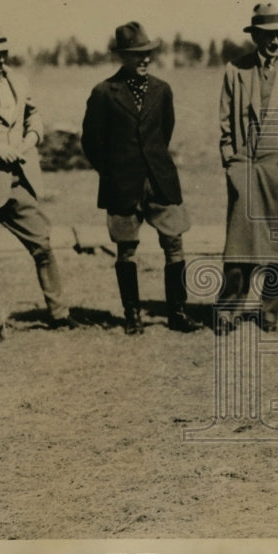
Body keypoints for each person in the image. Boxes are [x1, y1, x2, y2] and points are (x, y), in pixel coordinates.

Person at [0, 23, 77, 342]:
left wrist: (31, 139)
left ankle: (59, 313)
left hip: (19, 179)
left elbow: (34, 115)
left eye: (4, 52)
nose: (1, 58)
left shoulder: (19, 81)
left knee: (42, 243)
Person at [80, 21, 194, 335]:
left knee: (174, 242)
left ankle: (178, 313)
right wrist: (113, 171)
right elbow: (91, 141)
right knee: (126, 248)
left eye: (148, 53)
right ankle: (132, 316)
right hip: (122, 184)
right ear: (122, 57)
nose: (145, 59)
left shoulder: (162, 90)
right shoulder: (104, 92)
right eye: (137, 54)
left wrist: (152, 163)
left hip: (160, 179)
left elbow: (164, 132)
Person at [217, 2, 278, 332]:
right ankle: (228, 311)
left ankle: (269, 312)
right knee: (238, 245)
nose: (275, 41)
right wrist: (231, 160)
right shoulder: (235, 70)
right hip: (246, 166)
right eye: (268, 35)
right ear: (255, 36)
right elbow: (225, 123)